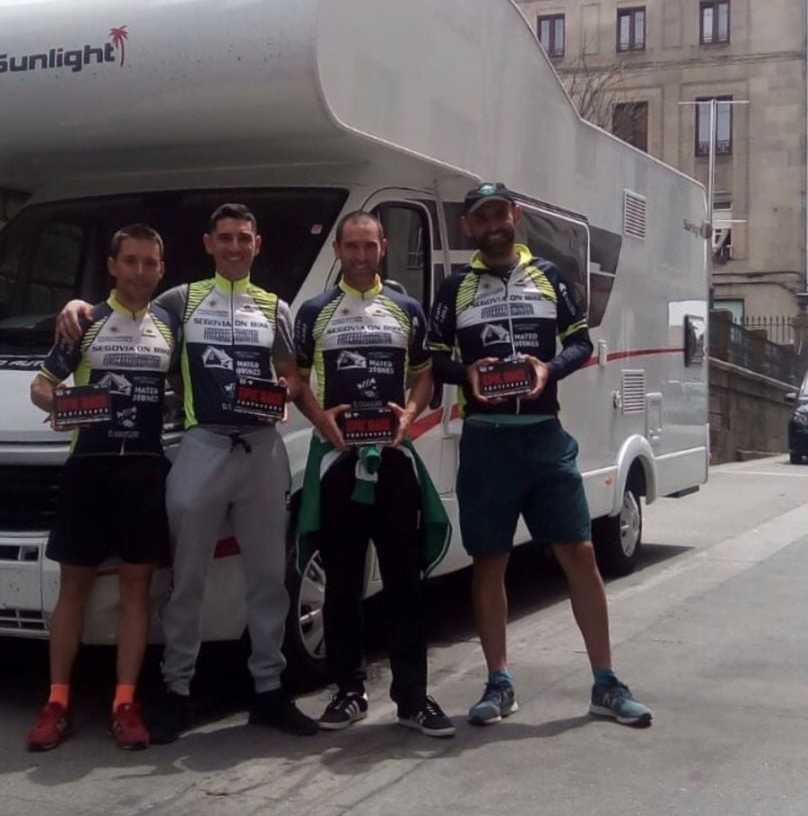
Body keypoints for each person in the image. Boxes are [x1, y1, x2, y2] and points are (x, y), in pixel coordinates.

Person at [57, 203, 317, 742]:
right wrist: (77, 304)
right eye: (225, 237)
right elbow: (129, 310)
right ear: (208, 243)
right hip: (202, 446)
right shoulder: (182, 300)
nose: (234, 246)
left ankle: (269, 690)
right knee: (187, 580)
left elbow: (292, 375)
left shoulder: (276, 307)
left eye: (244, 237)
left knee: (269, 575)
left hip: (262, 448)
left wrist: (284, 392)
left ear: (257, 244)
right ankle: (177, 691)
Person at [428, 181, 653, 728]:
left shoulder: (551, 276)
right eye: (482, 218)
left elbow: (579, 341)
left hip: (544, 436)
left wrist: (550, 369)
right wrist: (468, 373)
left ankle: (605, 682)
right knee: (490, 560)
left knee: (578, 552)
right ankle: (499, 682)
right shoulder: (455, 287)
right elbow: (433, 357)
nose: (493, 224)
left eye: (500, 214)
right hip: (485, 437)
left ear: (516, 215)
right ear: (468, 227)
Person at [292, 211, 454, 737]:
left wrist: (410, 415)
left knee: (404, 582)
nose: (361, 255)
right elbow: (293, 377)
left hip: (393, 460)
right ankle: (348, 691)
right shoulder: (314, 312)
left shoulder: (407, 308)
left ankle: (413, 699)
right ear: (337, 249)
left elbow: (425, 373)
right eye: (352, 246)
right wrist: (321, 420)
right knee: (341, 582)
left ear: (383, 246)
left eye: (370, 245)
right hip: (339, 462)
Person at [25, 224, 179, 752]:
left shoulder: (169, 324)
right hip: (88, 467)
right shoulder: (85, 321)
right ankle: (57, 702)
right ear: (112, 266)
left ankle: (125, 704)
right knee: (74, 590)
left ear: (161, 270)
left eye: (149, 264)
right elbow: (40, 385)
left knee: (137, 591)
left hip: (144, 469)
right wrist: (60, 407)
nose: (140, 271)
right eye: (130, 261)